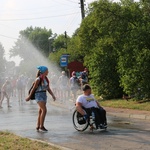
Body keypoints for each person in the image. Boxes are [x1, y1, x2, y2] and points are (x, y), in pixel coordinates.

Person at [25, 66, 56, 132]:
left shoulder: (46, 79)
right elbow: (33, 88)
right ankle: (42, 126)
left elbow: (48, 88)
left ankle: (38, 125)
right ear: (44, 71)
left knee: (41, 111)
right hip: (38, 95)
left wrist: (53, 95)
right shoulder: (38, 79)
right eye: (47, 71)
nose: (48, 72)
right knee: (44, 110)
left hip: (44, 95)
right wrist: (29, 97)